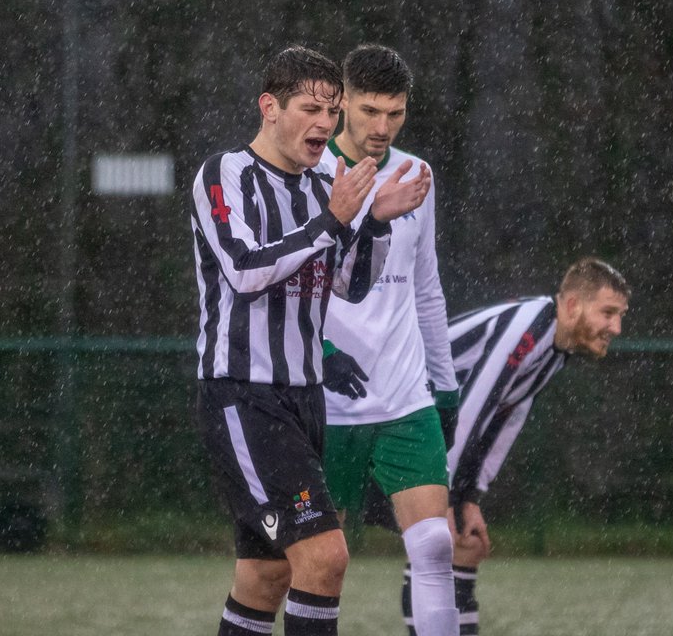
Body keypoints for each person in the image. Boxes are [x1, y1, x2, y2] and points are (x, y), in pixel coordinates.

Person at [191, 45, 431, 636]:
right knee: (325, 557)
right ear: (269, 108)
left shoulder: (330, 179)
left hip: (305, 399)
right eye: (309, 107)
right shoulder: (225, 173)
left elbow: (348, 285)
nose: (324, 122)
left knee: (264, 576)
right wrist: (333, 220)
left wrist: (373, 221)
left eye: (331, 109)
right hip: (244, 397)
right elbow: (244, 269)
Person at [401, 257, 631, 635]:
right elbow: (473, 403)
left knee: (464, 546)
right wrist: (443, 498)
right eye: (608, 313)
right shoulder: (529, 325)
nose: (616, 327)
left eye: (619, 315)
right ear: (572, 304)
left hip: (427, 434)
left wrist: (470, 496)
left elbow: (506, 417)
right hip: (389, 419)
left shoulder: (558, 347)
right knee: (433, 550)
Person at [319, 44, 461, 636]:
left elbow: (426, 288)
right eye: (370, 110)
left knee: (434, 547)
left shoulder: (416, 173)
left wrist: (446, 384)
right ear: (343, 100)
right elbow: (285, 285)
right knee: (312, 566)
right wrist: (319, 354)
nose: (382, 127)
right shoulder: (304, 172)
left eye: (395, 114)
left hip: (405, 396)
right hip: (322, 403)